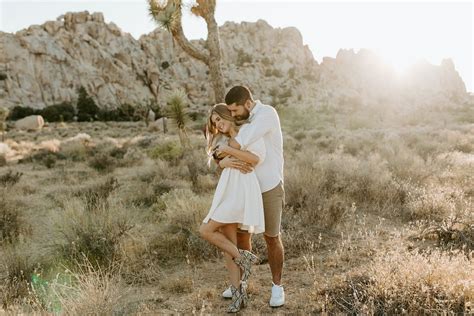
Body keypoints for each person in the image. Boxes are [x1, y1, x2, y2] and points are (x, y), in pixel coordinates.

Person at [220, 86, 286, 307]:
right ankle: (242, 284)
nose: (233, 114)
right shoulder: (241, 119)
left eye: (235, 109)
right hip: (246, 187)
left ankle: (277, 287)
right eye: (230, 110)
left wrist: (226, 149)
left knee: (271, 237)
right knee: (241, 238)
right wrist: (221, 157)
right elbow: (224, 138)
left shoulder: (267, 114)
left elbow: (240, 141)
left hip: (269, 186)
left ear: (247, 103)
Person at [199, 103, 265, 313]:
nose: (218, 123)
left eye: (219, 118)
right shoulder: (225, 141)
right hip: (228, 188)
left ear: (229, 114)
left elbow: (255, 159)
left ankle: (244, 257)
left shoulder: (249, 133)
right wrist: (222, 163)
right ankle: (239, 296)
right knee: (228, 245)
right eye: (215, 122)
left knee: (206, 230)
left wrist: (228, 153)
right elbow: (216, 157)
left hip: (241, 189)